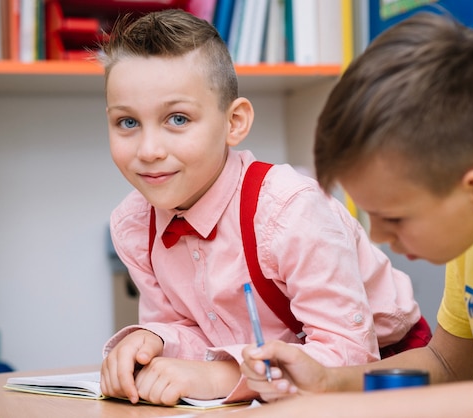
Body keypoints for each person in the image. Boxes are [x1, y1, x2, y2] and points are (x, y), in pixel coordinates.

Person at [236, 11, 473, 418]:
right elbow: (445, 364)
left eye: (395, 218)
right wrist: (327, 382)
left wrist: (318, 412)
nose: (381, 237)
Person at [98, 9, 429, 407]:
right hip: (269, 386)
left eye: (178, 118)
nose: (149, 151)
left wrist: (224, 374)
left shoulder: (289, 209)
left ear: (234, 122)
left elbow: (349, 355)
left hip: (386, 366)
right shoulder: (134, 226)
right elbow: (192, 333)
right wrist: (154, 341)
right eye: (127, 123)